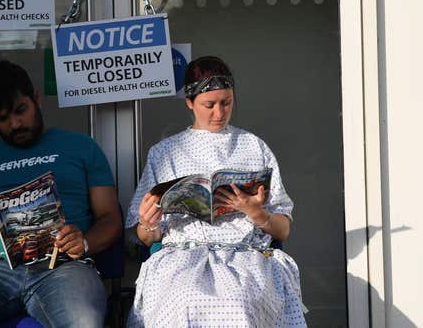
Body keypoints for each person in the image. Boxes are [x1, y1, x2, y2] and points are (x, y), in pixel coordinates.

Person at [0, 59, 122, 328]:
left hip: (62, 264)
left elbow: (110, 218)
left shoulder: (81, 147)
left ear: (36, 98)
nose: (15, 124)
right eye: (2, 119)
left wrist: (83, 243)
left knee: (84, 322)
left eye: (21, 110)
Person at [126, 56, 306, 327]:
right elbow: (143, 236)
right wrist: (147, 223)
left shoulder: (254, 147)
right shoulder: (164, 153)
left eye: (226, 103)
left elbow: (283, 230)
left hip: (244, 258)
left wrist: (256, 213)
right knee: (184, 299)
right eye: (209, 105)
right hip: (182, 259)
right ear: (189, 102)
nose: (219, 113)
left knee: (238, 301)